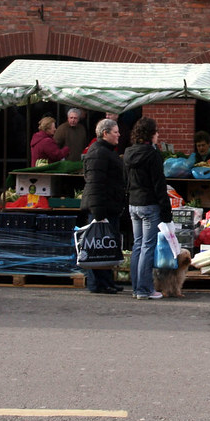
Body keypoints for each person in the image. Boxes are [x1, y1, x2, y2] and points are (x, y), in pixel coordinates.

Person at [123, 116, 172, 300]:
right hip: (149, 204)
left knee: (137, 245)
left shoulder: (128, 153)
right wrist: (166, 212)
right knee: (147, 246)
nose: (158, 135)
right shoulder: (153, 155)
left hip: (133, 204)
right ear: (151, 134)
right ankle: (145, 289)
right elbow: (159, 184)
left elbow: (125, 180)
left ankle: (136, 287)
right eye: (156, 132)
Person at [80, 118, 125, 294]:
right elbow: (95, 184)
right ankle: (98, 283)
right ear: (105, 133)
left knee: (106, 246)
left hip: (108, 206)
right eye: (115, 132)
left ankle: (107, 281)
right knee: (97, 245)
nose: (119, 135)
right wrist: (98, 212)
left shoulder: (105, 151)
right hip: (102, 208)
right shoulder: (98, 153)